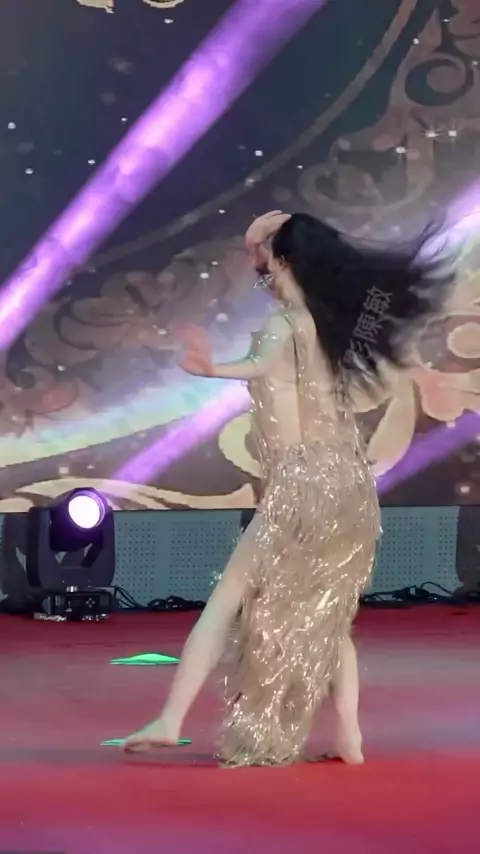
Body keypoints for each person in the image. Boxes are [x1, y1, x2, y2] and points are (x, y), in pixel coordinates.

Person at [123, 210, 455, 766]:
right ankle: (349, 737)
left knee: (229, 597)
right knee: (331, 612)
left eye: (262, 244)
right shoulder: (332, 324)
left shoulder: (287, 325)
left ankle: (171, 718)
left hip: (303, 483)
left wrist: (209, 368)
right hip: (348, 483)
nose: (254, 249)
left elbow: (258, 365)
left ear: (281, 259)